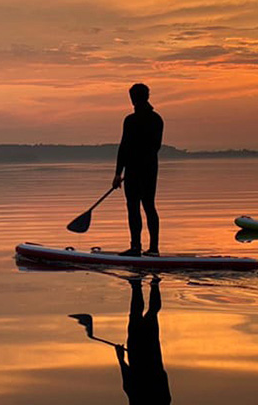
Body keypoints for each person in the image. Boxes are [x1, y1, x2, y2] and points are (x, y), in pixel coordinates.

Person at [112, 83, 164, 257]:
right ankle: (145, 248)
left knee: (141, 206)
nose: (133, 101)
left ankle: (142, 248)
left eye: (134, 97)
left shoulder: (142, 120)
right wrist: (119, 173)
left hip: (141, 170)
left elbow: (146, 147)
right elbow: (125, 147)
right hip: (142, 169)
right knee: (143, 206)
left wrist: (122, 171)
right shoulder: (152, 119)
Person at [116, 276, 171, 404]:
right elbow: (129, 384)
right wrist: (121, 360)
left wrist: (122, 360)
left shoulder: (164, 401)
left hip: (151, 355)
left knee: (150, 313)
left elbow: (163, 377)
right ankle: (137, 284)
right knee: (138, 314)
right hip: (141, 355)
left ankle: (154, 283)